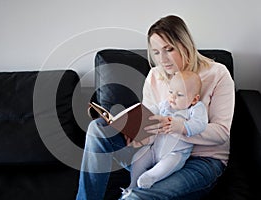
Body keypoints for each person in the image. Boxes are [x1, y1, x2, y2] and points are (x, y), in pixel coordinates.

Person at [76, 15, 235, 200]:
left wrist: (176, 126)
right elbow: (150, 118)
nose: (163, 60)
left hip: (201, 161)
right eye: (157, 52)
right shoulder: (155, 75)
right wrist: (137, 135)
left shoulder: (217, 74)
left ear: (185, 44)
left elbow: (222, 133)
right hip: (155, 152)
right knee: (97, 129)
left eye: (169, 49)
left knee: (136, 197)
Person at [125, 71, 208, 193]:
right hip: (154, 149)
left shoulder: (195, 109)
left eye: (179, 95)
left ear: (194, 99)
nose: (173, 97)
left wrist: (181, 127)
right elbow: (152, 110)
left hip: (175, 153)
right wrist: (138, 114)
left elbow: (200, 124)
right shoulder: (165, 105)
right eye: (171, 92)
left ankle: (150, 177)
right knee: (138, 158)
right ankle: (132, 185)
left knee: (166, 166)